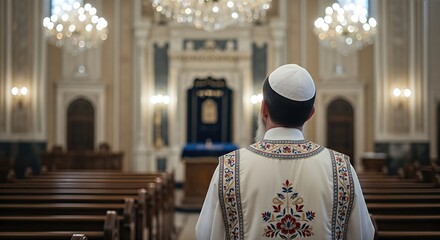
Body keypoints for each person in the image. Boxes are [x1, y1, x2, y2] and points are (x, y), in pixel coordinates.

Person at [195, 64, 374, 240]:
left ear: (264, 109)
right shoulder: (341, 168)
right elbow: (365, 234)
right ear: (311, 113)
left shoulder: (229, 167)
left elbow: (204, 233)